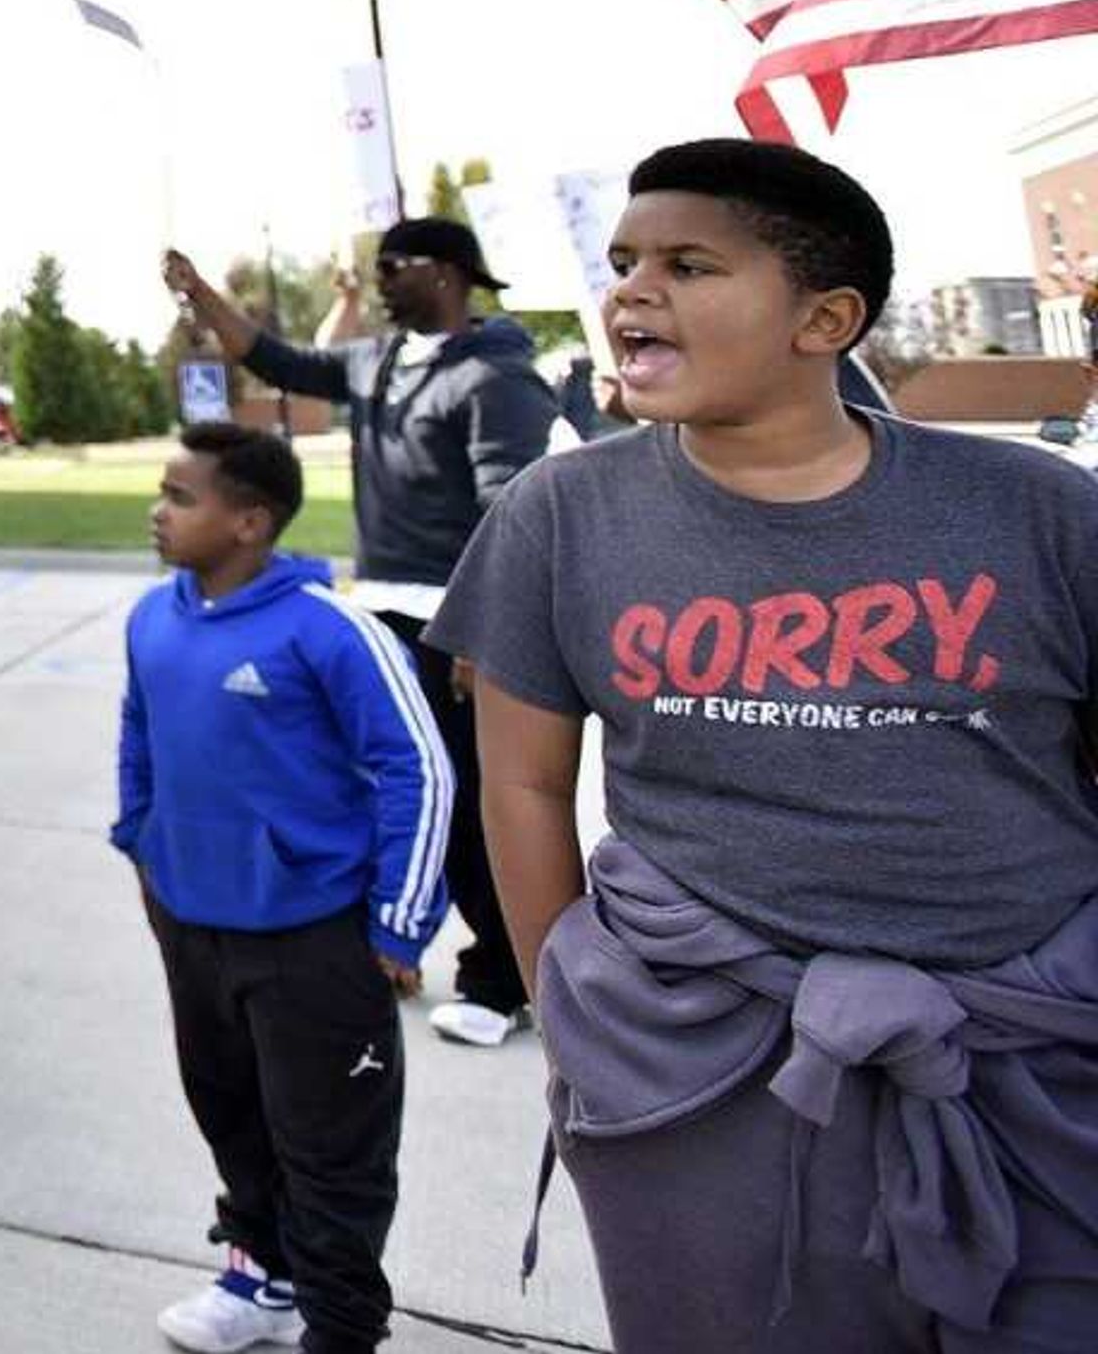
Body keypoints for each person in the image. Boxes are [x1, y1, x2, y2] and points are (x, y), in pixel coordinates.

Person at [429, 139, 1098, 1351]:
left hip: (1032, 1050)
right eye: (626, 259)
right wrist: (572, 1021)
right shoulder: (559, 514)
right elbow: (523, 786)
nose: (633, 289)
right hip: (704, 1058)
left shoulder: (1040, 508)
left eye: (689, 264)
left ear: (824, 317)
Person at [164, 220, 558, 1047]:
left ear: (450, 273)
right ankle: (398, 933)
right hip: (376, 606)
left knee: (462, 801)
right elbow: (276, 359)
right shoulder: (377, 357)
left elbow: (513, 513)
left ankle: (502, 978)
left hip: (450, 619)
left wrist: (483, 631)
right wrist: (202, 295)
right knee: (378, 790)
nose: (378, 277)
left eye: (396, 264)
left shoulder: (495, 374)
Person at [118, 422, 451, 1353]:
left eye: (182, 496)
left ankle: (341, 1327)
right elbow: (138, 731)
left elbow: (418, 765)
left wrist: (400, 920)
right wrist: (140, 842)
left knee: (331, 1148)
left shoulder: (327, 627)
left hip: (314, 936)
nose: (160, 509)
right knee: (229, 1111)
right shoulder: (154, 617)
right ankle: (260, 1276)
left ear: (250, 521)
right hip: (191, 923)